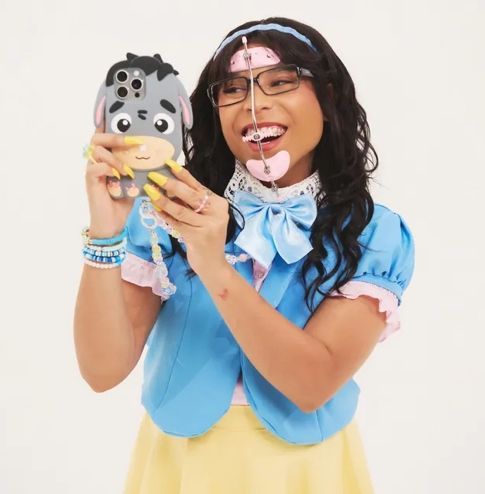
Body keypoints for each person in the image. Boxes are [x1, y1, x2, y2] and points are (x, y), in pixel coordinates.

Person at [74, 16, 415, 494]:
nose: (255, 104)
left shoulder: (373, 234)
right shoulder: (166, 216)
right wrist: (106, 232)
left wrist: (213, 266)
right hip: (180, 468)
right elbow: (102, 371)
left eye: (281, 81)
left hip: (306, 473)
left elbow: (312, 383)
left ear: (328, 98)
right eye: (233, 89)